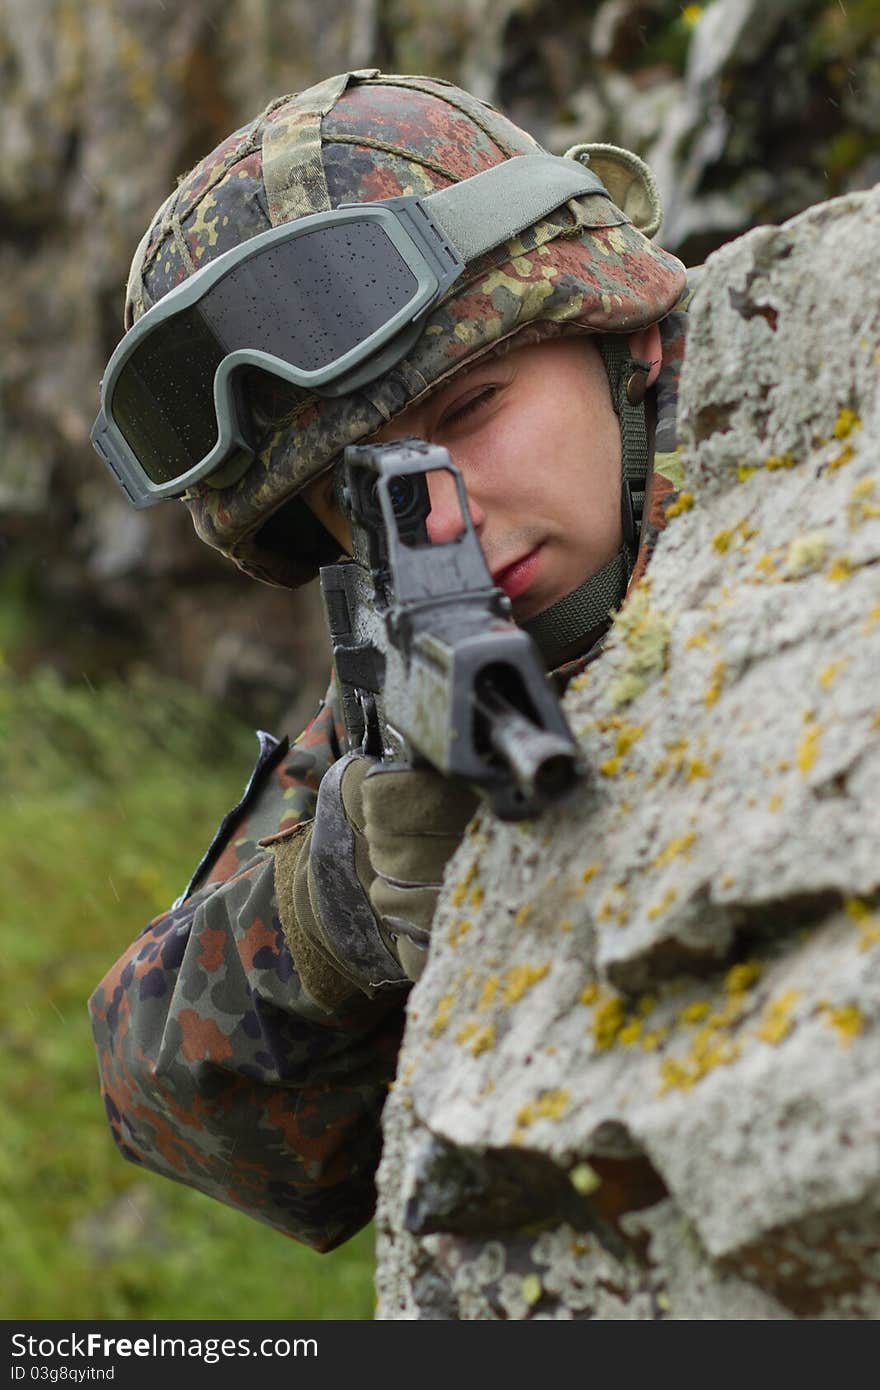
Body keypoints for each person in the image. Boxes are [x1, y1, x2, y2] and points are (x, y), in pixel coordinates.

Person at [88, 69, 695, 1252]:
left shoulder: (801, 444)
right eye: (358, 493)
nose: (446, 514)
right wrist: (331, 914)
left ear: (611, 331)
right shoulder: (407, 653)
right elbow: (151, 1089)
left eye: (471, 411)